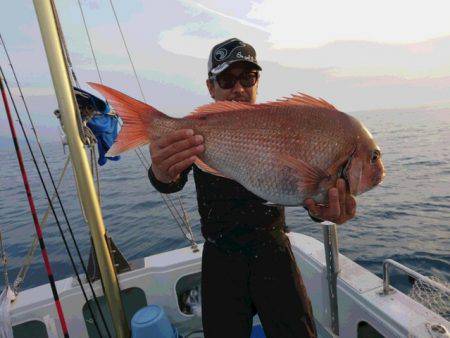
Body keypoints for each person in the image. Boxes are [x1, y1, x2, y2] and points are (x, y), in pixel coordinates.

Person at [148, 38, 356, 338]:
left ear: (258, 82)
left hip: (272, 250)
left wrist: (323, 208)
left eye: (248, 78)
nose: (239, 88)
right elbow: (170, 180)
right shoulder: (199, 131)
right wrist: (160, 172)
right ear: (210, 87)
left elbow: (305, 190)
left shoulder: (283, 126)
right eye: (227, 79)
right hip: (221, 259)